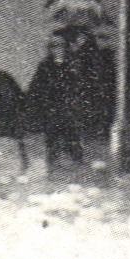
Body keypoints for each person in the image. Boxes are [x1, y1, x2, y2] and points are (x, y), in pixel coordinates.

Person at [27, 32, 84, 172]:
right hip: (51, 107)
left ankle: (76, 164)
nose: (57, 49)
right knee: (52, 138)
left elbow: (80, 85)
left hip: (69, 107)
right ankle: (53, 166)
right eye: (53, 46)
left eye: (60, 45)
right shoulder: (45, 65)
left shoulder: (74, 64)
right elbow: (36, 86)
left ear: (66, 47)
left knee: (72, 138)